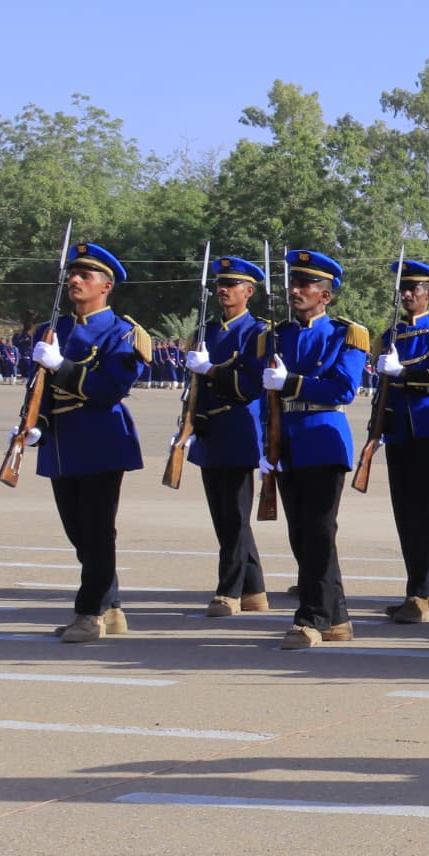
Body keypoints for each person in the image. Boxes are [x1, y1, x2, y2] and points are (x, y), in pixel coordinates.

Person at [18, 242, 148, 642]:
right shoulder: (51, 329)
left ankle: (89, 613)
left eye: (85, 276)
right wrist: (30, 423)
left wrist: (63, 366)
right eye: (73, 274)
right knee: (79, 532)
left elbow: (110, 389)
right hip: (60, 443)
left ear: (105, 286)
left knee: (96, 531)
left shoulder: (122, 332)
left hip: (100, 439)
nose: (75, 280)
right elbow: (37, 387)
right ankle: (111, 608)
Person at [262, 249, 369, 649]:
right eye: (294, 283)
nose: (295, 290)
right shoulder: (277, 336)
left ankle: (309, 618)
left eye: (305, 285)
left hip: (324, 436)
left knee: (318, 533)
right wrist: (265, 442)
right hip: (285, 437)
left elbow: (343, 387)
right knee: (299, 533)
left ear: (325, 295)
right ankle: (336, 618)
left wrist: (291, 382)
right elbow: (265, 395)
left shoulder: (345, 334)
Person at [367, 258, 429, 624]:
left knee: (422, 515)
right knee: (405, 515)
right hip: (398, 431)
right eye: (404, 289)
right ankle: (424, 592)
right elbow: (383, 390)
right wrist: (375, 432)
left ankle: (421, 595)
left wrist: (403, 373)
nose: (408, 294)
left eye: (415, 289)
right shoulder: (390, 335)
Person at [184, 253, 271, 617]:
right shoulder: (205, 332)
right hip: (209, 431)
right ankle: (254, 590)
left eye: (231, 285)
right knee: (223, 514)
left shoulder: (258, 332)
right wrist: (186, 426)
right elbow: (193, 387)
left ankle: (229, 590)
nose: (224, 290)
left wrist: (211, 371)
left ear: (248, 291)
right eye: (220, 284)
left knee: (234, 515)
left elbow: (251, 385)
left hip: (238, 429)